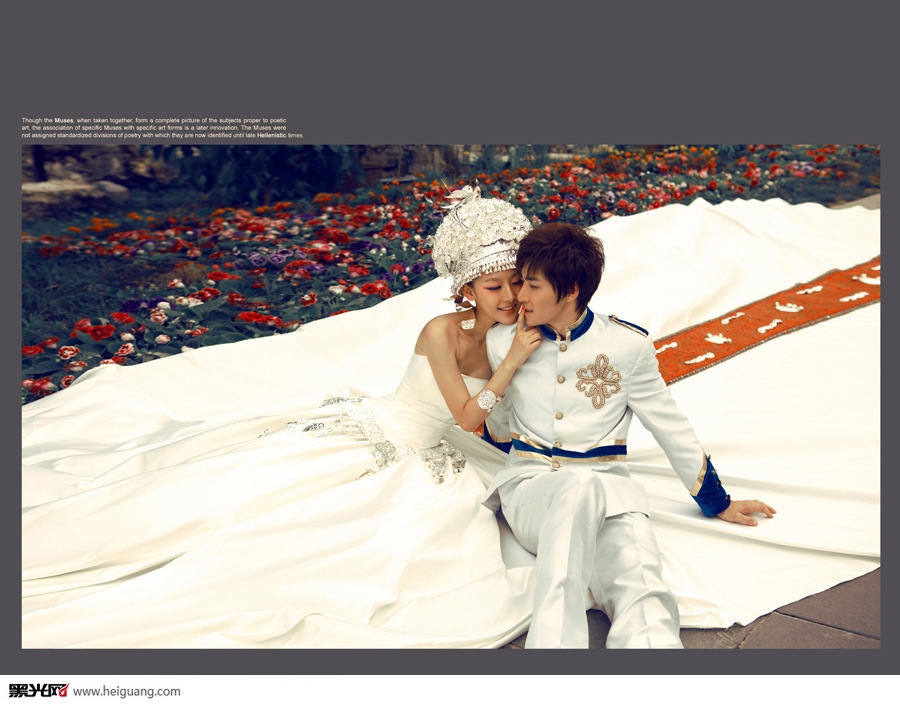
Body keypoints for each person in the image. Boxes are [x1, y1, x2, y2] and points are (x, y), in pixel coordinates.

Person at [21, 186, 539, 648]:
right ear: (466, 290)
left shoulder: (506, 338)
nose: (510, 296)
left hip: (436, 454)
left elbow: (491, 421)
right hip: (383, 432)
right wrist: (512, 362)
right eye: (493, 287)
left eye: (516, 283)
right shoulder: (441, 331)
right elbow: (467, 416)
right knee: (240, 497)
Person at [482, 221, 777, 649]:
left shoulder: (627, 346)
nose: (518, 296)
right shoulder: (502, 343)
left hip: (611, 496)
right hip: (531, 493)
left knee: (642, 587)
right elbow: (497, 427)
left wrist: (717, 500)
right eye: (520, 281)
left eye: (532, 284)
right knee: (577, 489)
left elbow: (669, 424)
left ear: (571, 290)